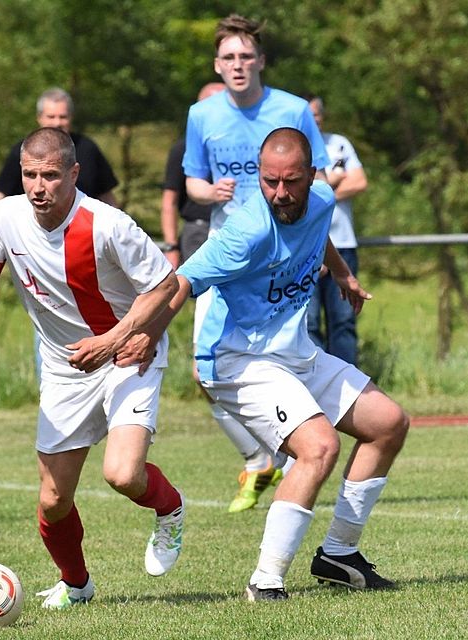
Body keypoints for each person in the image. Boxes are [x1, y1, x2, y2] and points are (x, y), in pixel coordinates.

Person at [160, 127, 409, 601]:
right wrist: (136, 336)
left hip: (294, 353)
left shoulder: (318, 198)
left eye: (290, 181)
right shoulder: (247, 229)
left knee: (388, 423)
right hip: (239, 359)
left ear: (312, 174)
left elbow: (318, 231)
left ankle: (339, 555)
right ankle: (266, 581)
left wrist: (342, 275)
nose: (279, 192)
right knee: (318, 447)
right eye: (270, 181)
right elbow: (181, 282)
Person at [0, 127, 185, 610]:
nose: (38, 187)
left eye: (50, 176)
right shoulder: (6, 215)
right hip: (64, 371)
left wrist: (113, 339)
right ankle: (77, 584)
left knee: (123, 475)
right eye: (29, 176)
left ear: (74, 173)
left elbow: (165, 286)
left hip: (127, 354)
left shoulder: (108, 224)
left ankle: (170, 509)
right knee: (52, 500)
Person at [182, 13, 331, 513]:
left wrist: (326, 255)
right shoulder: (201, 115)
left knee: (290, 356)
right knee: (205, 373)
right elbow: (193, 185)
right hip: (229, 250)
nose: (238, 64)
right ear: (217, 65)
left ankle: (304, 452)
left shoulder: (292, 108)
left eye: (247, 55)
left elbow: (320, 184)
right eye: (229, 57)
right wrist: (211, 191)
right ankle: (259, 457)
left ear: (261, 61)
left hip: (286, 253)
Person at [0, 87, 119, 260]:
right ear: (39, 118)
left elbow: (107, 196)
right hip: (42, 245)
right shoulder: (24, 152)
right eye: (51, 116)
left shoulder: (88, 149)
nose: (57, 123)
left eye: (62, 117)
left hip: (86, 242)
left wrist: (118, 234)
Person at [305, 94, 368, 365]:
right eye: (306, 115)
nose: (312, 120)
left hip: (342, 243)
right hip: (306, 246)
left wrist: (321, 191)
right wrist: (333, 181)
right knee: (307, 323)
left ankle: (349, 385)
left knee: (343, 320)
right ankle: (316, 384)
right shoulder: (292, 148)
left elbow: (359, 182)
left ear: (322, 116)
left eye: (315, 115)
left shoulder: (339, 143)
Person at [160, 82, 225, 269]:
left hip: (237, 226)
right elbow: (169, 201)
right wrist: (171, 246)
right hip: (199, 230)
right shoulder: (183, 148)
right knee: (205, 294)